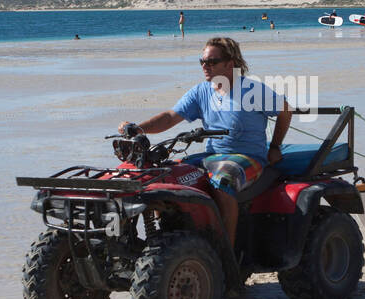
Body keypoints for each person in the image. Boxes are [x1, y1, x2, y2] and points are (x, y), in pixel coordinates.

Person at [118, 36, 291, 250]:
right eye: (202, 61)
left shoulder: (252, 90)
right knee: (164, 175)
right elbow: (171, 117)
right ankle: (167, 237)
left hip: (247, 156)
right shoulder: (201, 91)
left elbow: (285, 110)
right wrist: (138, 128)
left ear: (230, 64)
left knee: (222, 180)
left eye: (211, 62)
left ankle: (226, 252)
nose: (205, 66)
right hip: (211, 156)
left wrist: (274, 146)